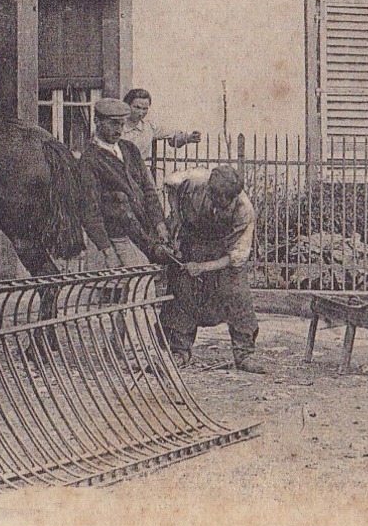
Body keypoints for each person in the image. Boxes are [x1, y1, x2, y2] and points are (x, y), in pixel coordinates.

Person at [160, 166, 265, 373]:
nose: (221, 208)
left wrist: (203, 267)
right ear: (209, 190)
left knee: (236, 294)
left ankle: (244, 354)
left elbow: (237, 257)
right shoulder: (195, 180)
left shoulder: (245, 210)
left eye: (227, 203)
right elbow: (169, 184)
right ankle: (179, 351)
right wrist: (177, 217)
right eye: (217, 200)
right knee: (182, 292)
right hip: (195, 240)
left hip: (224, 248)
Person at [75, 97, 174, 269]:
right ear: (97, 121)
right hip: (115, 239)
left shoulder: (130, 149)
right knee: (128, 286)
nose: (119, 130)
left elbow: (149, 191)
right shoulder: (89, 160)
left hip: (142, 233)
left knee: (142, 286)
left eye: (122, 124)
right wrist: (106, 250)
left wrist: (160, 224)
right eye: (114, 124)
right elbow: (89, 210)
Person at [119, 88, 202, 156]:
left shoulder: (149, 127)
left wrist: (187, 138)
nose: (141, 113)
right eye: (137, 108)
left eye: (145, 109)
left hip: (139, 172)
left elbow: (172, 137)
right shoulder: (117, 126)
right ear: (127, 105)